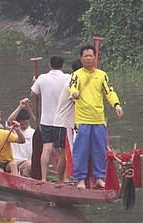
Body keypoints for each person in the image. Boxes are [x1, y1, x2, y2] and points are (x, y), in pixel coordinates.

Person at [69, 44, 123, 189]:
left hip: (98, 119)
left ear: (95, 57)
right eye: (85, 56)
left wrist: (117, 105)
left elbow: (109, 92)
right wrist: (74, 92)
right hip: (82, 119)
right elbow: (72, 87)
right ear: (81, 58)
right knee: (81, 150)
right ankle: (81, 179)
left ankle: (100, 177)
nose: (88, 58)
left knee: (100, 149)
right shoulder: (76, 75)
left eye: (90, 56)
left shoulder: (102, 75)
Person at [31, 55, 70, 181]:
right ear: (62, 66)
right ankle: (64, 179)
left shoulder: (42, 78)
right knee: (64, 151)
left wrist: (35, 83)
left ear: (49, 65)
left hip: (47, 120)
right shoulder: (68, 78)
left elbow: (33, 94)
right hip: (63, 120)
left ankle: (43, 178)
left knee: (46, 149)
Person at [52, 59, 83, 183]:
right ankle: (61, 181)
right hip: (63, 124)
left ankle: (67, 178)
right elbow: (77, 101)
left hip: (71, 124)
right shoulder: (72, 82)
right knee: (65, 155)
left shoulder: (77, 81)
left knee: (71, 153)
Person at [6, 103, 35, 177]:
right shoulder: (13, 129)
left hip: (25, 162)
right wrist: (20, 107)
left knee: (30, 164)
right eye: (22, 124)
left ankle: (24, 179)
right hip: (13, 161)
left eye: (26, 123)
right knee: (13, 165)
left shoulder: (33, 132)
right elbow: (10, 121)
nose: (25, 126)